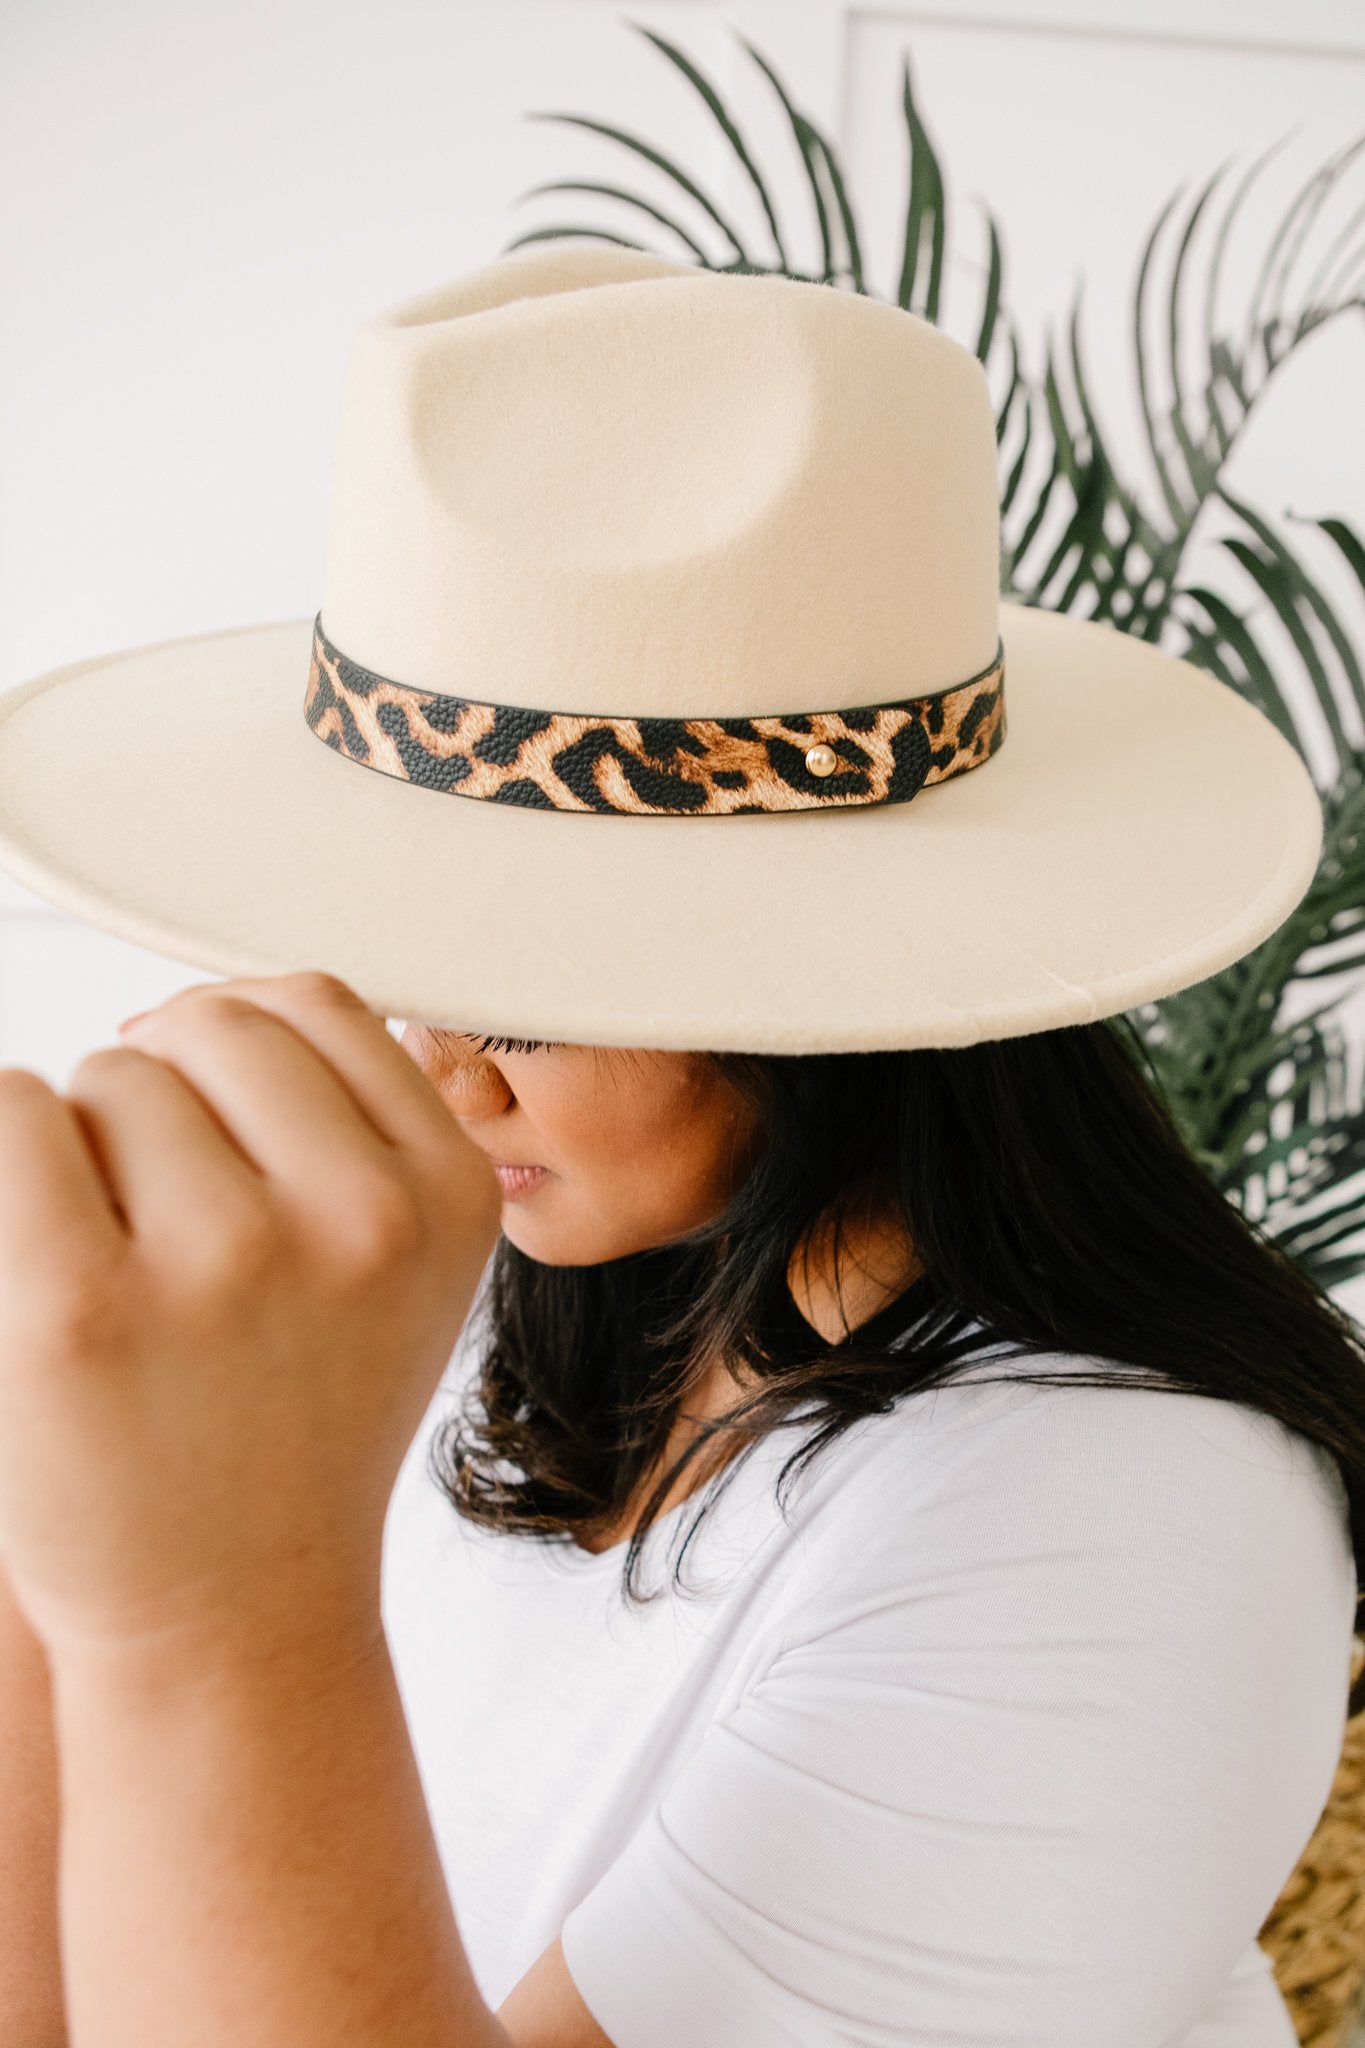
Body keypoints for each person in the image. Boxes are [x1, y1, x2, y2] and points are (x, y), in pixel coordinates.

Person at [0, 240, 1358, 2048]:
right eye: (396, 945)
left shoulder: (1128, 1517)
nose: (432, 1071)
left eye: (528, 984)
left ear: (843, 979)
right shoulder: (517, 1287)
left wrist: (203, 1598)